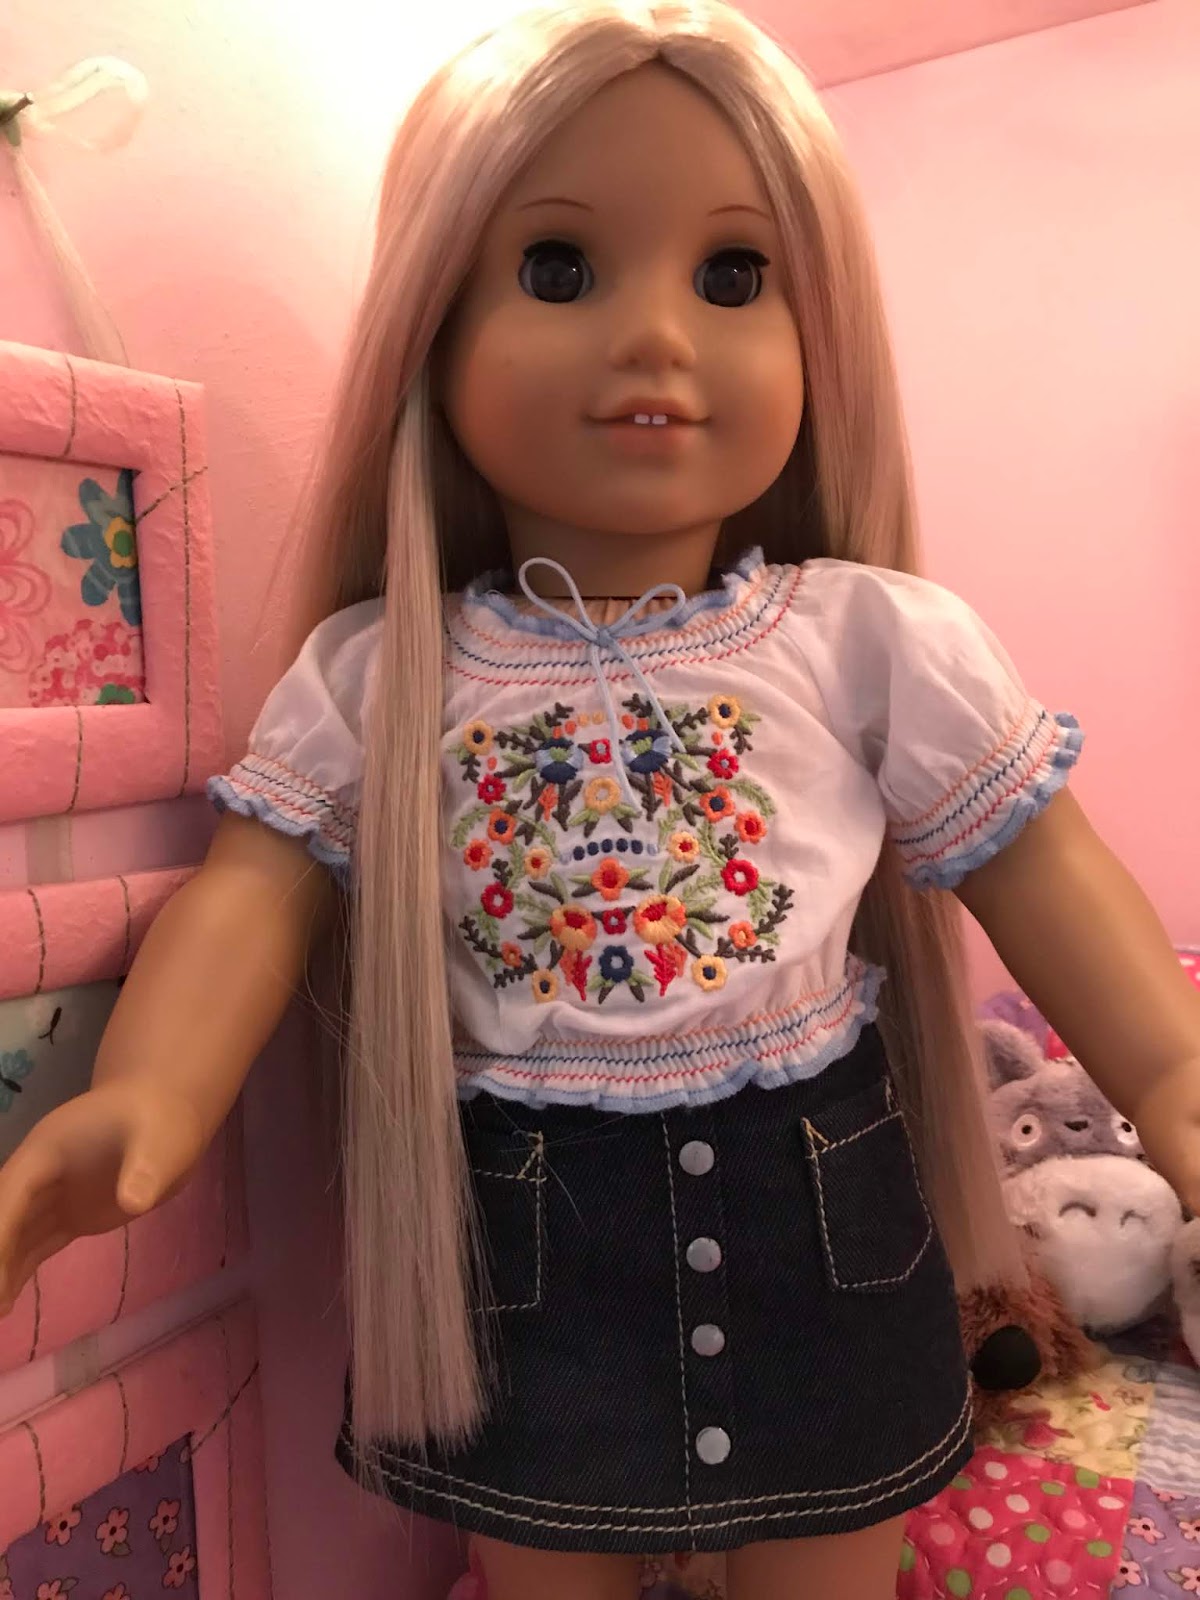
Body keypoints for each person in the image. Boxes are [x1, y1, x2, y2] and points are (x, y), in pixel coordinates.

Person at [2, 5, 1198, 1596]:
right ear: (435, 329)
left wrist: (1172, 1072)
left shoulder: (867, 639)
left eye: (734, 276)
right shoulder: (383, 675)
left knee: (829, 1566)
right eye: (559, 269)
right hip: (526, 1263)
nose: (658, 339)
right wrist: (143, 1104)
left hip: (823, 1232)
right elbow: (247, 897)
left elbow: (1043, 869)